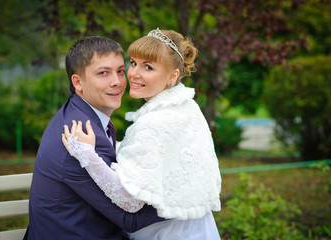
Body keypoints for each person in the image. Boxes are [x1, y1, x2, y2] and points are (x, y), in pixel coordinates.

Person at [62, 28, 222, 239]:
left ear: (172, 76)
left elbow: (130, 201)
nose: (134, 73)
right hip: (199, 229)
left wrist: (87, 156)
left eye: (148, 67)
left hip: (167, 234)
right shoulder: (187, 107)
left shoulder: (154, 123)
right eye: (134, 63)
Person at [25, 36, 163, 240]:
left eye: (120, 71)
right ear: (78, 82)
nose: (116, 82)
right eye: (103, 73)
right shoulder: (78, 138)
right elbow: (130, 219)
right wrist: (186, 198)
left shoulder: (81, 117)